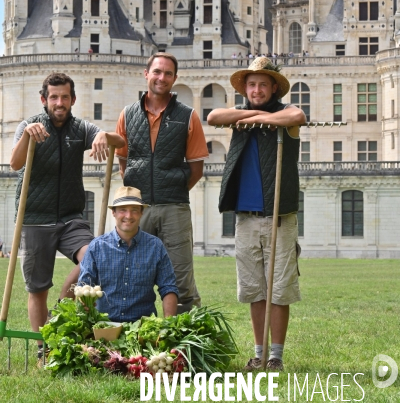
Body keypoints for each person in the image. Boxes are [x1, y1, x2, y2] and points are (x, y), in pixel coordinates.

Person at [10, 72, 125, 356]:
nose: (59, 102)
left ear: (73, 100)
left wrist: (102, 135)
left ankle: (65, 296)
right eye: (54, 97)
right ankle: (43, 350)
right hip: (35, 217)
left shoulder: (81, 128)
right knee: (37, 289)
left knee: (95, 257)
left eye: (64, 97)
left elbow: (120, 142)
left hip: (72, 217)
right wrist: (27, 136)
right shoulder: (29, 126)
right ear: (44, 99)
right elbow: (14, 163)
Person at [207, 57, 305, 372]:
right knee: (254, 289)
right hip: (246, 217)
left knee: (278, 290)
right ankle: (259, 353)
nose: (257, 89)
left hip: (279, 217)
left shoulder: (286, 116)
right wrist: (250, 115)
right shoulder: (238, 117)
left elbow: (298, 114)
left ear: (274, 87)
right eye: (252, 84)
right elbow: (213, 115)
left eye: (263, 84)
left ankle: (275, 356)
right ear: (245, 88)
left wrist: (262, 116)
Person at [115, 53, 209, 313]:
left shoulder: (188, 116)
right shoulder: (127, 114)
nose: (162, 77)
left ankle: (185, 342)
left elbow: (196, 169)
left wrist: (173, 188)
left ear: (175, 79)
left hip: (174, 208)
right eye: (157, 72)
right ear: (146, 74)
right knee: (133, 277)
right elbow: (124, 163)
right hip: (138, 208)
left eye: (168, 73)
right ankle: (137, 341)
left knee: (181, 280)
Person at [79, 186, 178, 321]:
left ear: (142, 212)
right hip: (104, 327)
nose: (128, 216)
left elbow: (168, 287)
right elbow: (84, 286)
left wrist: (169, 324)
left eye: (134, 210)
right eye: (122, 210)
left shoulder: (155, 246)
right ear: (113, 212)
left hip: (143, 327)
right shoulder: (97, 246)